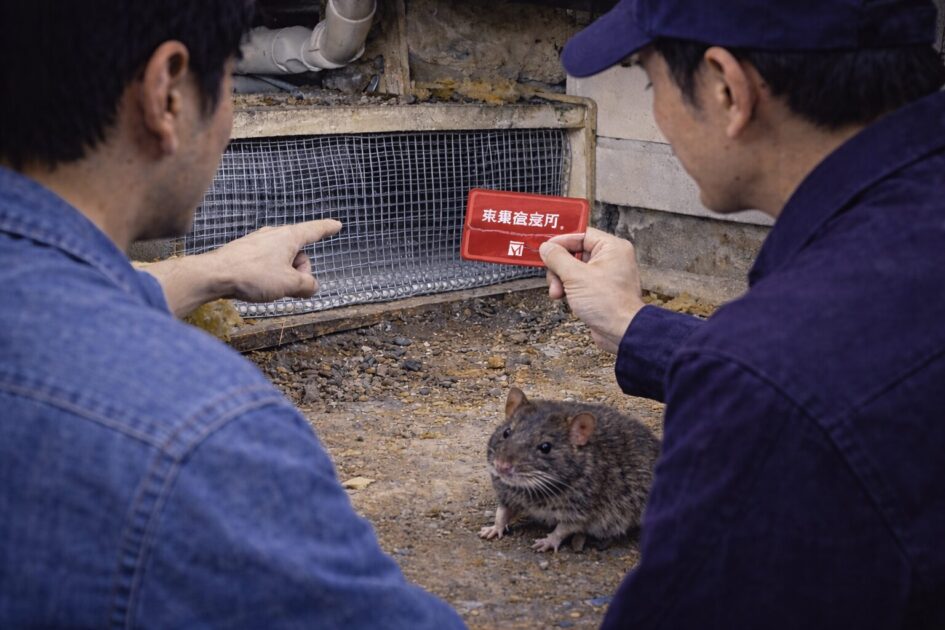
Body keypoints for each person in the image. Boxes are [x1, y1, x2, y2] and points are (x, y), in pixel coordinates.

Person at [0, 2, 463, 627]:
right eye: (227, 85)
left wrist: (214, 269)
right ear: (167, 95)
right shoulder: (209, 432)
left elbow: (62, 299)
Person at [539, 0, 945, 627]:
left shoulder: (763, 383)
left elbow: (785, 383)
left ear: (728, 89)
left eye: (652, 82)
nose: (658, 112)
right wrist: (633, 325)